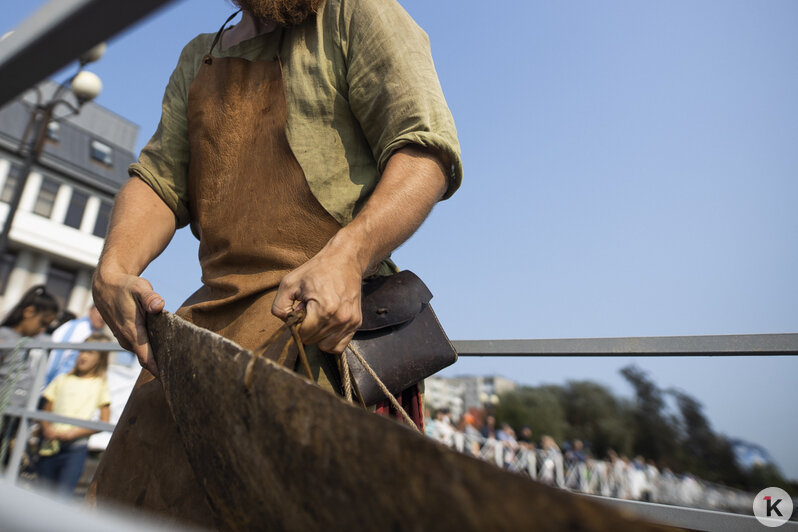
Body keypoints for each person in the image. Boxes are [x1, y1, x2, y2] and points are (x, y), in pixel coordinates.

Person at [90, 0, 461, 522]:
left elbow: (425, 151)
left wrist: (347, 258)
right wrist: (114, 268)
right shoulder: (202, 57)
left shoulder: (358, 13)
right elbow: (158, 180)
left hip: (324, 330)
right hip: (201, 340)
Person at [37, 333, 111, 497]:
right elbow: (45, 410)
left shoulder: (99, 385)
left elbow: (104, 421)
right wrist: (47, 428)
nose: (83, 356)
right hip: (50, 444)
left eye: (90, 352)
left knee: (63, 496)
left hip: (75, 449)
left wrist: (74, 433)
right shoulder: (62, 379)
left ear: (100, 359)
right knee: (41, 494)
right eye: (82, 351)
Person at [0, 285, 59, 465]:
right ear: (28, 312)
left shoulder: (40, 342)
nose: (43, 330)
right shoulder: (4, 337)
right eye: (42, 324)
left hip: (19, 416)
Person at [44, 305, 105, 386]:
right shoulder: (79, 328)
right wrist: (48, 383)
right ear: (90, 310)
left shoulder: (99, 333)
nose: (103, 317)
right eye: (101, 312)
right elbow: (56, 357)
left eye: (107, 313)